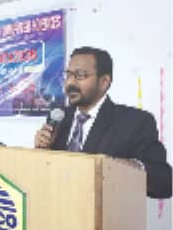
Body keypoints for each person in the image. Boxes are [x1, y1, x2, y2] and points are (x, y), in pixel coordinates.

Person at [34, 46, 171, 199]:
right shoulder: (59, 117)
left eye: (80, 75)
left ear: (104, 81)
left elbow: (164, 182)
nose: (70, 83)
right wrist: (42, 150)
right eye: (68, 75)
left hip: (106, 212)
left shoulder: (135, 122)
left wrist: (128, 168)